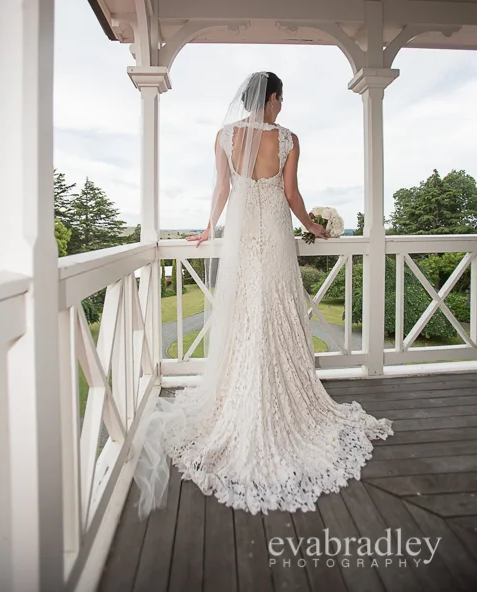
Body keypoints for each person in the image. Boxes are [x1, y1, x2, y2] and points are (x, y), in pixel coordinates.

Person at [133, 71, 393, 517]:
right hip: (273, 235)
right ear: (271, 98)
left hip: (240, 237)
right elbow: (290, 194)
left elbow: (221, 189)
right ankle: (279, 395)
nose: (282, 106)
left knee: (244, 313)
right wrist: (315, 226)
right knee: (277, 309)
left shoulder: (224, 136)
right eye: (281, 99)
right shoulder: (289, 139)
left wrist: (207, 228)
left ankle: (241, 393)